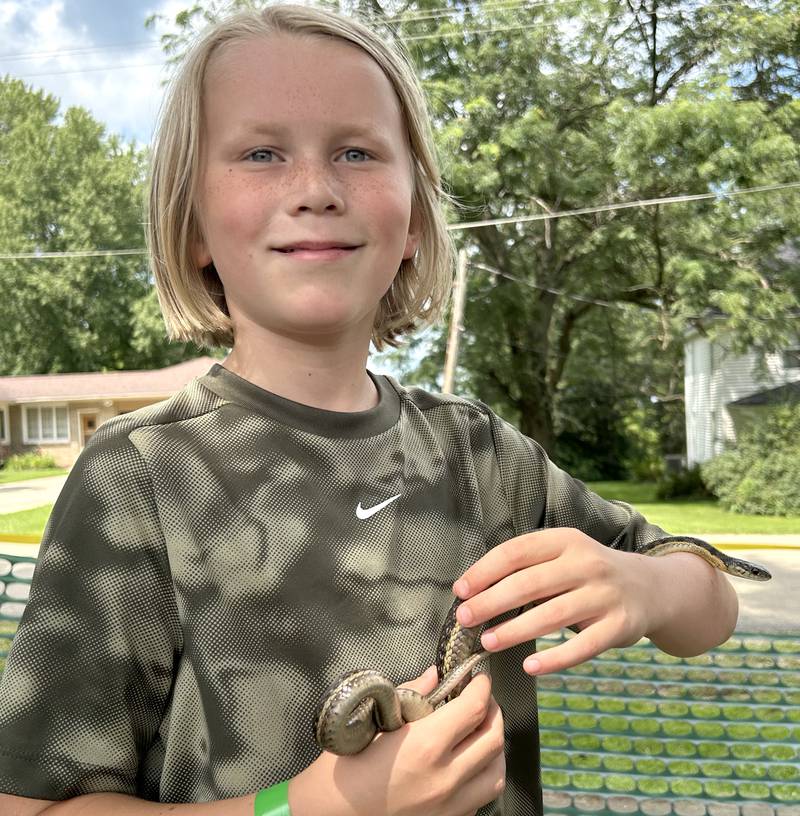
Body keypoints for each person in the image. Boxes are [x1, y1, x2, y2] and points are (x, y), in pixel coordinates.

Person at [0, 4, 739, 815]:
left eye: (356, 151)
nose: (315, 189)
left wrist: (647, 586)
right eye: (260, 153)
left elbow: (707, 606)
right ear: (194, 223)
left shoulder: (484, 456)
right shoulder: (138, 478)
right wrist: (308, 807)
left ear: (415, 219)